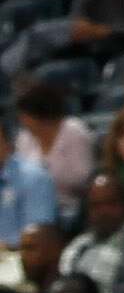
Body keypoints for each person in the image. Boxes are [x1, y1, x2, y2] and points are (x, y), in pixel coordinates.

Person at [10, 79, 95, 213]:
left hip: (69, 205)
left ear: (39, 113)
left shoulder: (73, 131)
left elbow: (84, 178)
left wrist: (43, 178)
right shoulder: (24, 137)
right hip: (31, 204)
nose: (22, 120)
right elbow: (19, 173)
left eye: (25, 116)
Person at [0, 124, 57, 249]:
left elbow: (38, 236)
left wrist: (6, 245)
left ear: (7, 145)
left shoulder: (35, 178)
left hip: (17, 259)